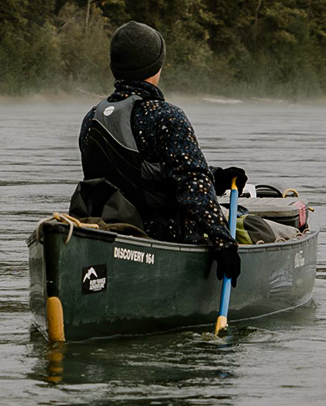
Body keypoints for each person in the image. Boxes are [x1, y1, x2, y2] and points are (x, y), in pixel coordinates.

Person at [77, 21, 243, 284]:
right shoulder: (166, 116)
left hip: (111, 230)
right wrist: (223, 242)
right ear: (156, 67)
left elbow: (134, 171)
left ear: (115, 67)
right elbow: (192, 183)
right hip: (163, 236)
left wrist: (215, 177)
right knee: (243, 221)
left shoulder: (92, 118)